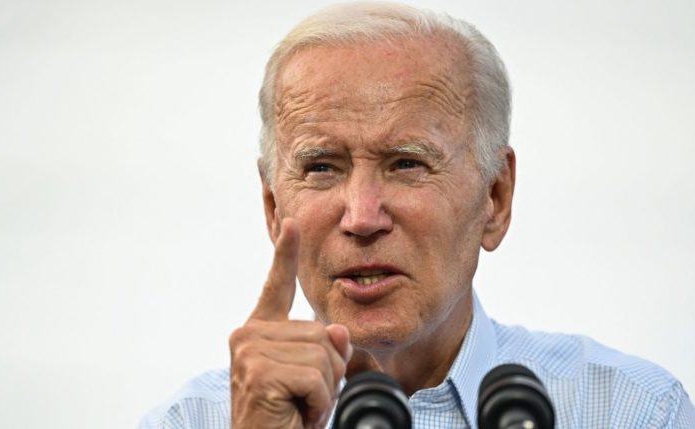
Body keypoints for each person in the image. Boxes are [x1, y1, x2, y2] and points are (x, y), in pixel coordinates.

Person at [139, 2, 694, 428]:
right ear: (272, 207)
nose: (361, 217)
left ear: (495, 199)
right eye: (322, 168)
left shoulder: (633, 410)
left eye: (406, 163)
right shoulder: (196, 421)